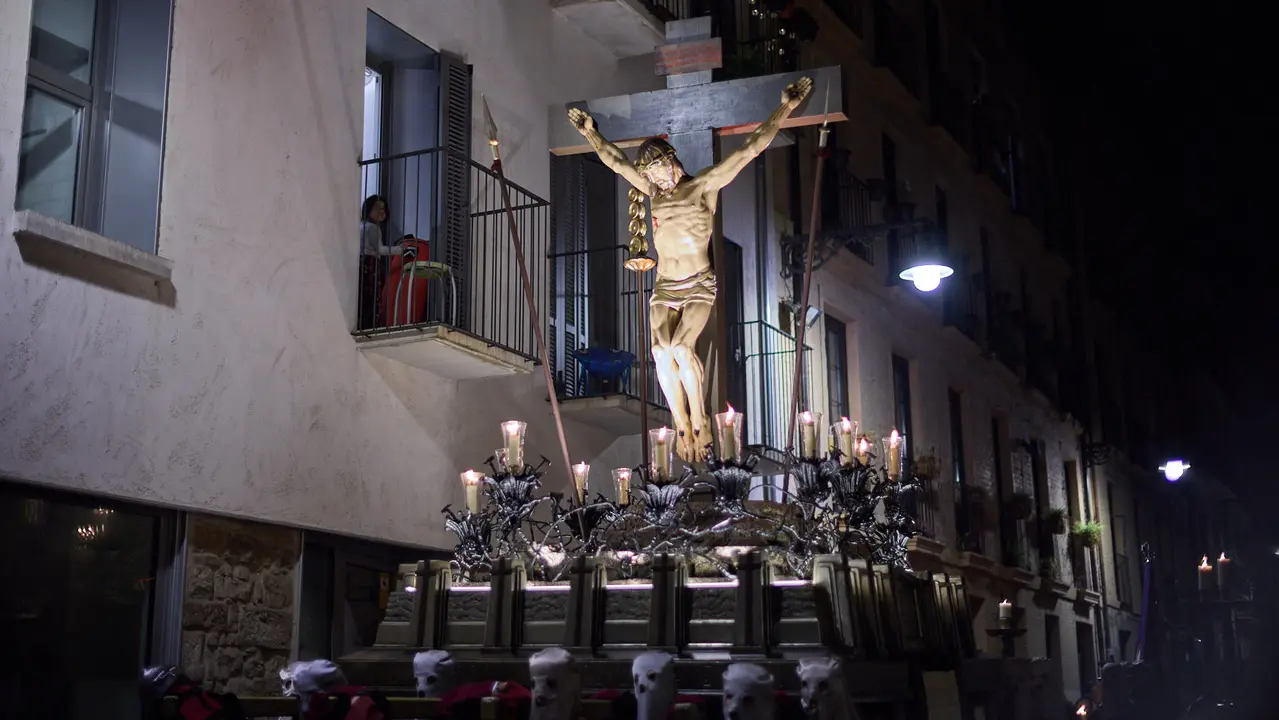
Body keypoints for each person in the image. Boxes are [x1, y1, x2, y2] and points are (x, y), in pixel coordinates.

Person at [568, 76, 813, 460]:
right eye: (647, 176)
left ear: (669, 163)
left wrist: (785, 108)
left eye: (654, 173)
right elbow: (616, 162)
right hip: (665, 284)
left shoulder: (703, 187)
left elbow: (749, 150)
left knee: (682, 346)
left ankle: (699, 421)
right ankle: (680, 424)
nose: (652, 180)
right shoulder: (652, 194)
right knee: (659, 350)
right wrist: (589, 134)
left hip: (699, 283)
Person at [358, 195, 403, 330]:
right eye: (378, 208)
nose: (381, 212)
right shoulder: (373, 228)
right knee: (373, 296)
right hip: (371, 264)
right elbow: (380, 249)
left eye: (383, 209)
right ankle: (371, 325)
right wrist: (400, 250)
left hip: (360, 263)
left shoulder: (361, 226)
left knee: (362, 297)